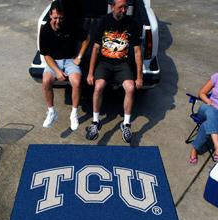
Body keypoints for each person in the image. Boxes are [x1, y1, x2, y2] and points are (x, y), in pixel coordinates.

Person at [86, 0, 143, 143]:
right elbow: (96, 48)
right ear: (112, 7)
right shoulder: (103, 22)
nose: (124, 10)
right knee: (98, 87)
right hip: (104, 63)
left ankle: (126, 124)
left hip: (123, 64)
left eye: (126, 7)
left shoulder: (132, 24)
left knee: (130, 88)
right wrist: (90, 73)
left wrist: (139, 77)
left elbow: (137, 51)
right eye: (120, 7)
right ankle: (95, 122)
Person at [39, 1, 90, 130]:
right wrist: (57, 71)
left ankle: (73, 114)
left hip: (69, 60)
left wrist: (79, 57)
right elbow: (46, 55)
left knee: (77, 82)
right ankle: (51, 112)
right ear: (50, 15)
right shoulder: (45, 29)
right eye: (55, 18)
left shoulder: (70, 25)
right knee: (46, 81)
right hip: (53, 61)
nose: (58, 21)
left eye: (60, 18)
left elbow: (87, 39)